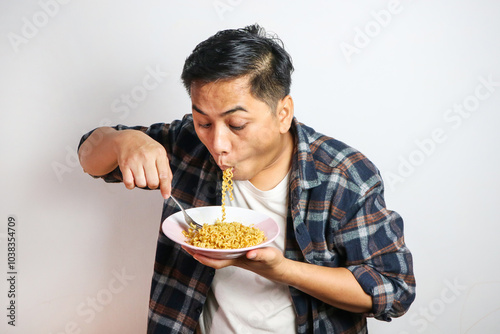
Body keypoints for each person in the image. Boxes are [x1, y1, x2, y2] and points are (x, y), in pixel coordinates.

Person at [78, 24, 415, 334]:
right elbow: (90, 156)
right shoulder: (188, 142)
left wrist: (280, 270)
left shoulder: (343, 175)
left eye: (236, 125)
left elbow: (394, 290)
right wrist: (124, 141)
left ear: (282, 114)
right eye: (204, 122)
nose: (218, 144)